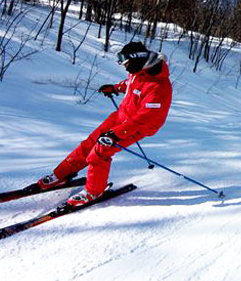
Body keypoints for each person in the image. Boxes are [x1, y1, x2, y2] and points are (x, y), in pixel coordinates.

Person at [37, 41, 173, 206]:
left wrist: (116, 134)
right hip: (121, 116)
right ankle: (62, 174)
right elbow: (131, 84)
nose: (124, 67)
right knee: (89, 143)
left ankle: (94, 191)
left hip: (138, 126)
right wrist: (115, 88)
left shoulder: (159, 87)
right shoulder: (139, 71)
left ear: (137, 59)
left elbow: (146, 118)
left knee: (101, 150)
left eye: (126, 63)